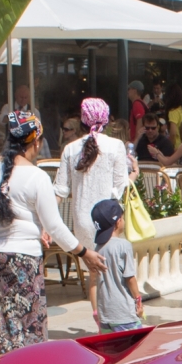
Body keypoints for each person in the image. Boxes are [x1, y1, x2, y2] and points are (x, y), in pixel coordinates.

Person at [0, 112, 105, 360]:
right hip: (22, 261)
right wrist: (83, 253)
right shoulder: (37, 176)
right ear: (35, 143)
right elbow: (54, 226)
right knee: (25, 327)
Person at [54, 98, 130, 254]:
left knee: (90, 269)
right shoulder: (116, 146)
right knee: (107, 269)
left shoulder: (70, 149)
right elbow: (120, 186)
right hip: (108, 219)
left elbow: (60, 190)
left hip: (81, 219)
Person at [87, 199, 143, 333]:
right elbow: (130, 278)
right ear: (118, 222)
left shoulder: (97, 249)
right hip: (125, 315)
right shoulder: (124, 246)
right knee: (133, 349)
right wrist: (138, 299)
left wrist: (96, 311)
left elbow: (93, 282)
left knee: (111, 351)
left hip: (105, 315)